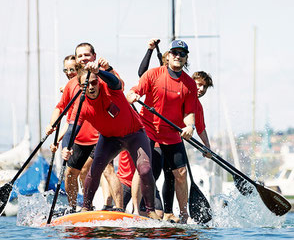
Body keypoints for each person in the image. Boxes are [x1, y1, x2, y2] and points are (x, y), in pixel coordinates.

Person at [63, 51, 160, 219]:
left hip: (134, 134)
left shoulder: (110, 87)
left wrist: (99, 72)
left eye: (95, 82)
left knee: (145, 170)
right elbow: (72, 129)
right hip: (109, 139)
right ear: (80, 86)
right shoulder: (81, 105)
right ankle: (86, 208)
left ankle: (151, 211)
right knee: (95, 170)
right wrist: (66, 147)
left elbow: (115, 81)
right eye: (88, 84)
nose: (92, 87)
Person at [127, 39, 197, 223]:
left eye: (182, 54)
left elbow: (189, 112)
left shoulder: (189, 84)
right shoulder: (153, 74)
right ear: (168, 56)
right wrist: (133, 95)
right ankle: (135, 211)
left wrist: (190, 126)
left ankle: (184, 216)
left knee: (180, 174)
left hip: (172, 133)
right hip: (148, 129)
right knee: (143, 169)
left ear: (186, 58)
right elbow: (134, 90)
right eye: (174, 52)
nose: (178, 56)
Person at [46, 47, 122, 211]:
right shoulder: (72, 85)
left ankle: (118, 208)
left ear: (94, 56)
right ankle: (75, 209)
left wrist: (108, 69)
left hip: (101, 135)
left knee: (106, 170)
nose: (83, 58)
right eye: (80, 56)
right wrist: (53, 128)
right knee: (71, 174)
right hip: (80, 138)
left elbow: (119, 86)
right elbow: (61, 110)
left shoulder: (100, 76)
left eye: (87, 55)